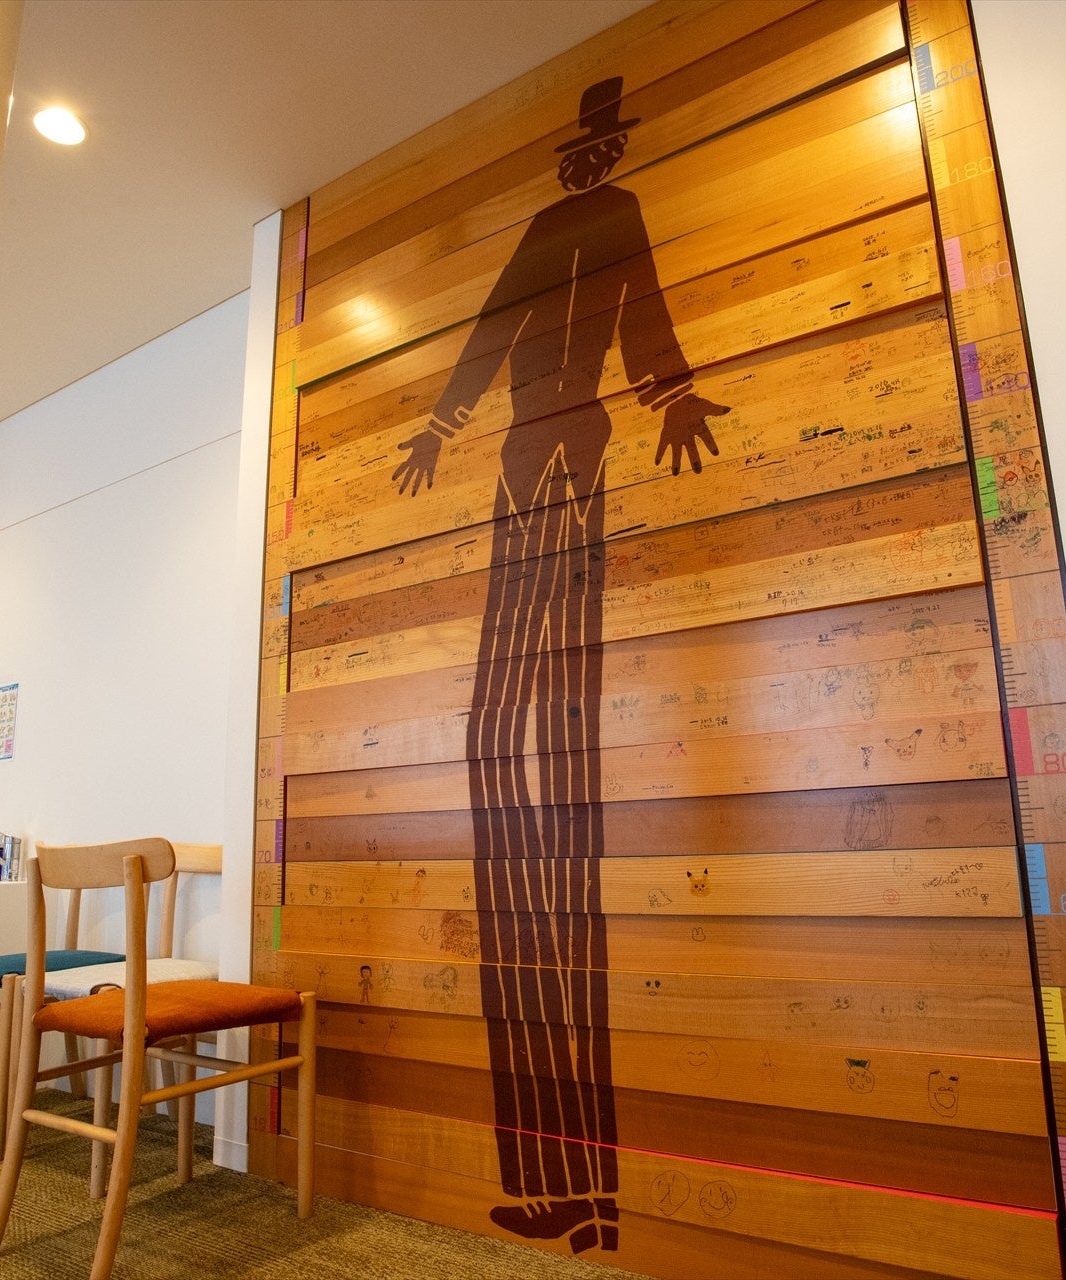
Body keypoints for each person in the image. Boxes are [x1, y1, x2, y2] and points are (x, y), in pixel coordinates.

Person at [393, 76, 728, 1255]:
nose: (591, 164)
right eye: (582, 150)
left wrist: (672, 391)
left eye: (604, 147)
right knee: (497, 752)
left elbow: (645, 313)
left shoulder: (618, 216)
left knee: (559, 768)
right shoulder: (544, 228)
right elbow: (492, 329)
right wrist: (441, 424)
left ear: (616, 153)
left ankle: (593, 1190)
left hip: (574, 449)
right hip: (520, 456)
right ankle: (551, 1180)